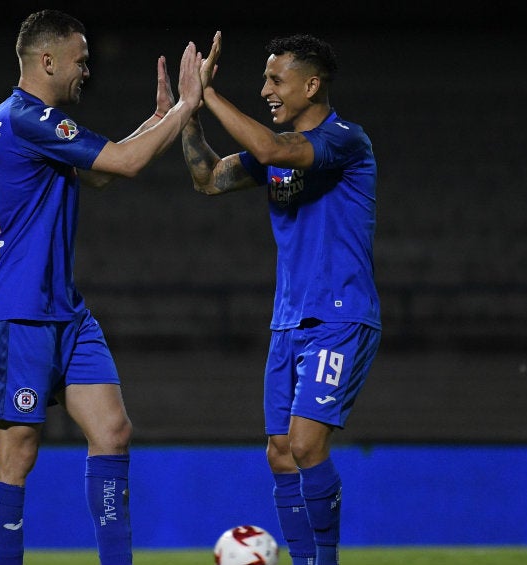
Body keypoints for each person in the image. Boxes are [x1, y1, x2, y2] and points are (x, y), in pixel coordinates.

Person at [0, 10, 202, 565]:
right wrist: (185, 107)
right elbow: (123, 164)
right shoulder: (27, 116)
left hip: (65, 310)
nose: (86, 70)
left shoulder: (34, 123)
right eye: (80, 60)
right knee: (17, 453)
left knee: (114, 431)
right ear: (46, 60)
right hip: (18, 311)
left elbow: (101, 171)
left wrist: (157, 120)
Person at [182, 31, 381, 565]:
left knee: (306, 444)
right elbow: (208, 179)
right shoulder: (274, 155)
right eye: (265, 78)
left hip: (339, 315)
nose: (266, 89)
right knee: (280, 454)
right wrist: (189, 119)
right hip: (288, 321)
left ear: (311, 85)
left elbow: (273, 148)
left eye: (276, 79)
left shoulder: (344, 140)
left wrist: (209, 94)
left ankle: (326, 559)